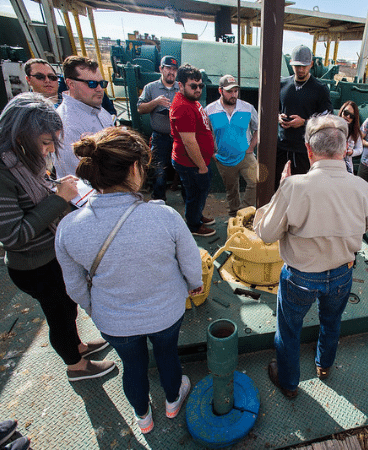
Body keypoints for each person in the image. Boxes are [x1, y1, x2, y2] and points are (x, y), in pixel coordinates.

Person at [55, 127, 204, 434]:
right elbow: (191, 264)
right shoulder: (165, 217)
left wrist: (97, 309)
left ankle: (143, 417)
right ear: (135, 168)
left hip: (114, 320)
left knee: (132, 366)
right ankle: (173, 401)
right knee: (167, 354)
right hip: (166, 312)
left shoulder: (69, 228)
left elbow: (74, 287)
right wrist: (193, 284)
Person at [254, 114, 368, 398]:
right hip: (343, 271)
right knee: (332, 322)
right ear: (345, 150)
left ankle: (289, 382)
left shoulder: (294, 186)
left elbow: (266, 234)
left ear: (309, 150)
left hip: (301, 276)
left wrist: (280, 193)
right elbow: (366, 225)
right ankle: (324, 366)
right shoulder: (364, 188)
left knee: (289, 330)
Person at [0, 93, 115, 381]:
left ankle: (77, 347)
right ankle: (76, 367)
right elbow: (14, 236)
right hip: (34, 266)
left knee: (68, 307)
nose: (49, 149)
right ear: (20, 135)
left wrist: (56, 187)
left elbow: (35, 199)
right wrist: (59, 199)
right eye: (45, 142)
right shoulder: (4, 173)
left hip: (52, 256)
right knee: (59, 317)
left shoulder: (24, 161)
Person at [276, 45, 332, 188]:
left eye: (304, 66)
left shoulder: (320, 89)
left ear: (311, 64)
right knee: (278, 186)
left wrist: (304, 122)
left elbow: (327, 119)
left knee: (301, 188)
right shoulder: (282, 85)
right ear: (291, 64)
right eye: (297, 66)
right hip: (281, 147)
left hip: (304, 149)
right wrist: (278, 117)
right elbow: (273, 109)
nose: (300, 70)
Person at [170, 64, 216, 236]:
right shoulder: (183, 107)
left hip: (197, 161)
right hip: (192, 164)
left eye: (200, 86)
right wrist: (202, 166)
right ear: (180, 85)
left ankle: (196, 216)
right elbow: (189, 142)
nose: (198, 90)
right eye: (193, 86)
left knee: (199, 193)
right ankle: (194, 226)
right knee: (195, 194)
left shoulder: (191, 101)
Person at [206, 74, 258, 217]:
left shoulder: (247, 108)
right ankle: (234, 215)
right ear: (220, 91)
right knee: (231, 190)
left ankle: (243, 212)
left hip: (245, 156)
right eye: (229, 91)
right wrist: (212, 154)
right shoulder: (210, 110)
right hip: (223, 159)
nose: (233, 94)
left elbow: (258, 127)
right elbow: (205, 133)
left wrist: (251, 147)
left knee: (256, 181)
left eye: (235, 91)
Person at [54, 56, 114, 179]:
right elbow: (77, 175)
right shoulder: (66, 124)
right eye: (91, 84)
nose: (99, 89)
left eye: (102, 83)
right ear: (71, 84)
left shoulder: (100, 111)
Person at [137, 55, 179, 201]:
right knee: (159, 173)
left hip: (179, 138)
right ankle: (159, 203)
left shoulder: (181, 88)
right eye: (168, 68)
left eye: (174, 69)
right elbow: (140, 108)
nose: (171, 72)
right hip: (160, 137)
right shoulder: (151, 88)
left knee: (185, 171)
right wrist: (156, 102)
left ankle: (190, 210)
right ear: (161, 69)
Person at [338, 100, 363, 173]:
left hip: (346, 167)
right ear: (341, 112)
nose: (348, 117)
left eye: (351, 116)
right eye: (346, 113)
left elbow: (360, 149)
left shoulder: (355, 132)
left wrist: (352, 152)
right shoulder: (333, 127)